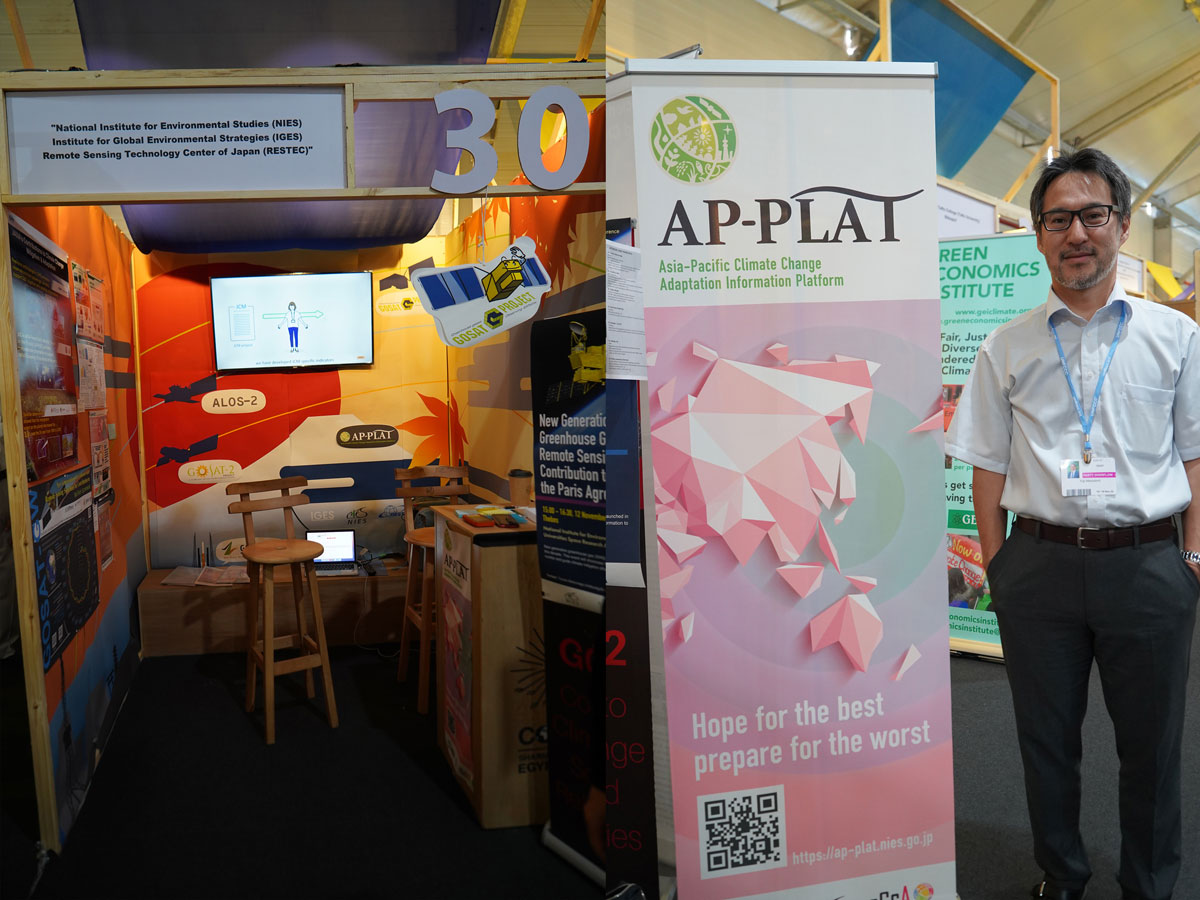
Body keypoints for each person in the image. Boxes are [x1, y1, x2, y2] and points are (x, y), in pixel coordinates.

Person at [946, 147, 1200, 900]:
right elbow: (986, 462)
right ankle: (1061, 872)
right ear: (1039, 236)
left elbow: (1195, 454)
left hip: (1148, 565)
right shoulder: (1006, 345)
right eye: (1059, 220)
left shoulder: (1176, 336)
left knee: (1152, 746)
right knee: (1045, 739)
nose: (1077, 233)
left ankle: (1149, 882)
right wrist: (999, 565)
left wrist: (1192, 557)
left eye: (1093, 215)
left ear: (1121, 225)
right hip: (1039, 567)